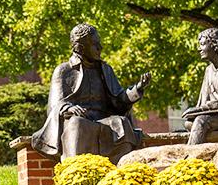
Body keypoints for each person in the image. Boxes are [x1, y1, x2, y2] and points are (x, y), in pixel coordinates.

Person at [31, 23, 152, 164]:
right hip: (80, 120)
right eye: (95, 45)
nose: (100, 48)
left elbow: (119, 100)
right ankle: (74, 171)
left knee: (122, 123)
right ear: (80, 47)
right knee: (77, 124)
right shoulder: (64, 71)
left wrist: (137, 88)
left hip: (104, 120)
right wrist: (69, 108)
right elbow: (55, 105)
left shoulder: (105, 70)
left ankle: (122, 174)